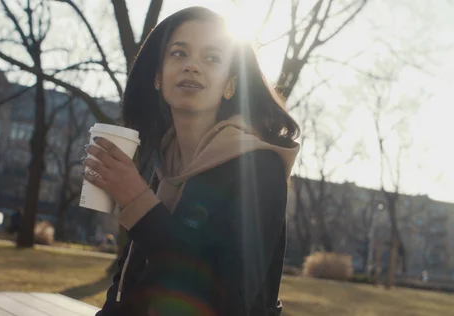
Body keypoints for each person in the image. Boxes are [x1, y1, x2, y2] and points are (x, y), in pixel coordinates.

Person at [83, 7, 299, 316]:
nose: (192, 66)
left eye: (212, 58)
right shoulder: (158, 163)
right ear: (158, 78)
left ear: (230, 86)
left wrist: (139, 204)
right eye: (179, 53)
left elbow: (231, 300)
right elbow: (128, 284)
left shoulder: (258, 167)